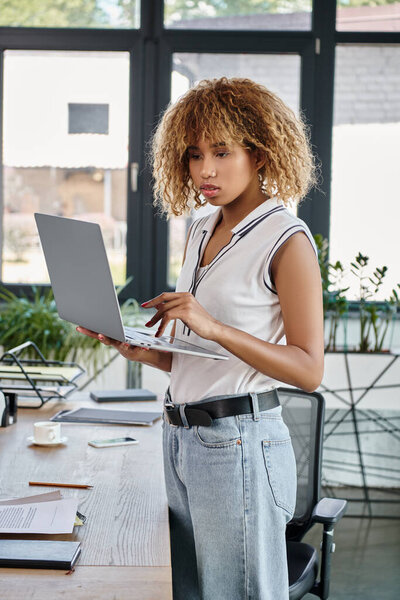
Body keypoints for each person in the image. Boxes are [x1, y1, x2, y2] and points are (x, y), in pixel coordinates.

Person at [77, 77, 324, 600]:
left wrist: (209, 323)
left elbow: (308, 369)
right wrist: (142, 351)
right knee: (186, 593)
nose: (204, 170)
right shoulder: (198, 230)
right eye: (192, 155)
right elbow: (207, 361)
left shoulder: (286, 240)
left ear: (260, 153)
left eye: (221, 151)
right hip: (180, 438)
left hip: (238, 442)